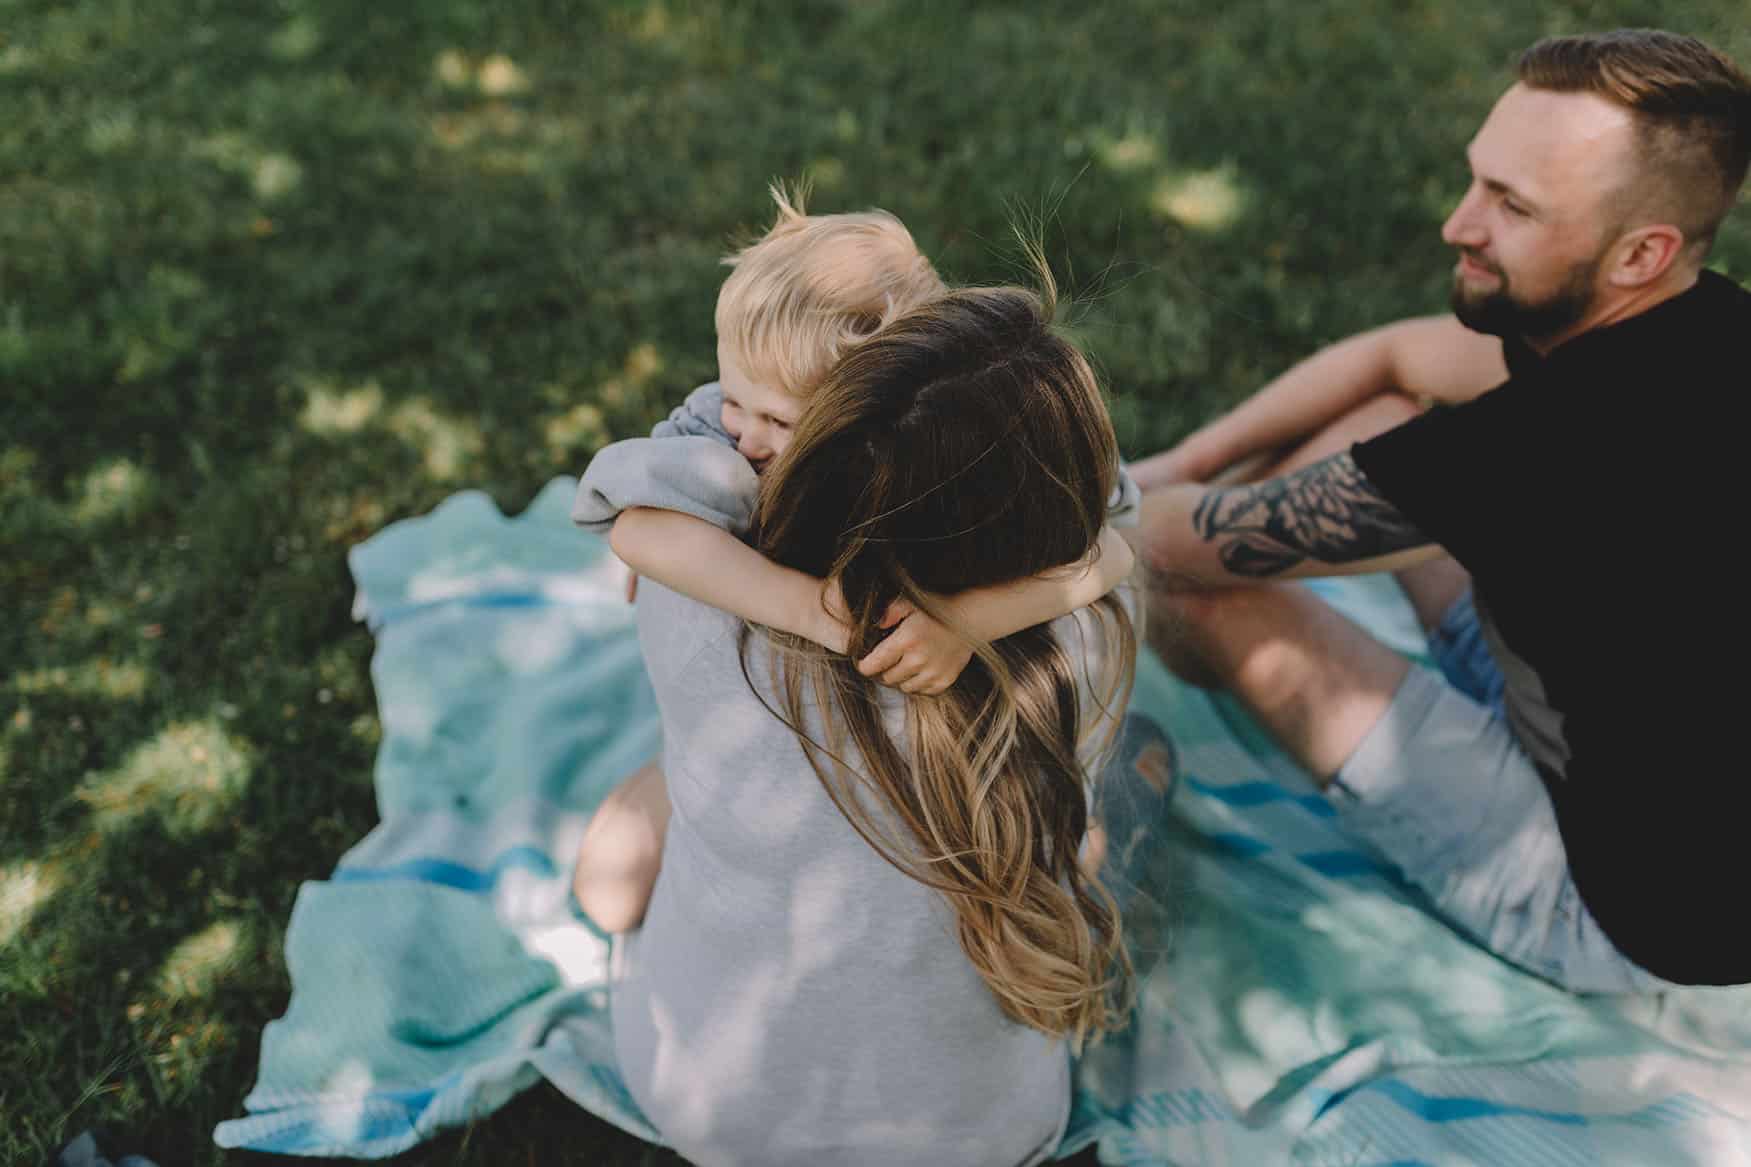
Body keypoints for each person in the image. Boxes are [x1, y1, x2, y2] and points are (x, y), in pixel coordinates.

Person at [1128, 28, 1751, 993]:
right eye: (1476, 180)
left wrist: (1129, 495)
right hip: (1641, 742)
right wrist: (1186, 459)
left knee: (1194, 595)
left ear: (1640, 252)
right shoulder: (1698, 321)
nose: (1459, 225)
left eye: (1510, 206)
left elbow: (1168, 549)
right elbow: (1395, 364)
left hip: (1626, 908)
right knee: (1369, 427)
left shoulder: (1535, 449)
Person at [573, 282, 1139, 1165]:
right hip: (990, 1135)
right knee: (1088, 812)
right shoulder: (1073, 639)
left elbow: (651, 496)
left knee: (624, 852)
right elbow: (1111, 528)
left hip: (704, 1101)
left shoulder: (699, 601)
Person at [569, 188, 1138, 935]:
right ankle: (673, 770)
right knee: (604, 888)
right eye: (735, 396)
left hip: (923, 793)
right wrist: (806, 607)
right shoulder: (722, 438)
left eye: (776, 418)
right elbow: (637, 531)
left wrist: (967, 622)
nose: (742, 432)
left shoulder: (948, 457)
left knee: (1067, 863)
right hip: (754, 747)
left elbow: (1112, 546)